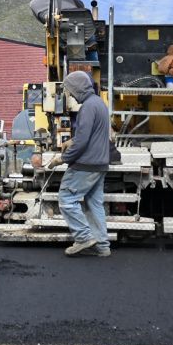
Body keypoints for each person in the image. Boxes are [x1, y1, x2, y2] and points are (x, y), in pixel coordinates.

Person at [54, 70, 111, 258]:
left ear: (77, 89)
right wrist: (71, 141)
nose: (69, 95)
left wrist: (62, 158)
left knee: (66, 199)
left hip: (86, 164)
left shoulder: (87, 107)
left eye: (70, 91)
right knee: (94, 205)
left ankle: (83, 237)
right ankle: (102, 246)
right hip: (100, 163)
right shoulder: (99, 104)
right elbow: (91, 134)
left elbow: (83, 141)